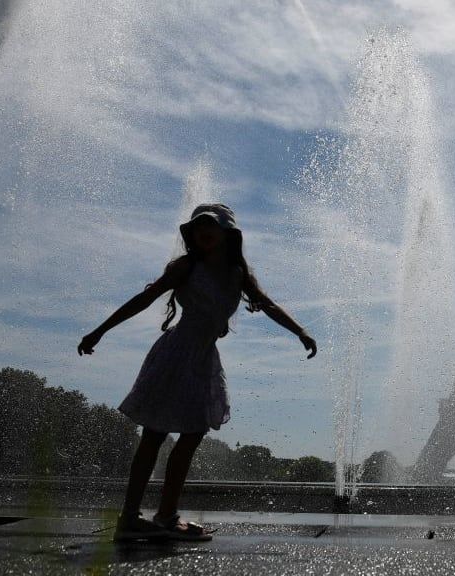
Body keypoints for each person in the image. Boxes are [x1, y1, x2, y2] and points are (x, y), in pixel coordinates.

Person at [77, 203, 317, 542]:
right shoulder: (187, 267)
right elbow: (144, 299)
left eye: (212, 225)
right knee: (155, 434)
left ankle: (164, 515)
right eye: (198, 225)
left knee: (191, 436)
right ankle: (132, 516)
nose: (204, 229)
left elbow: (268, 305)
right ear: (192, 233)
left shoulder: (237, 274)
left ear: (227, 234)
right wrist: (99, 331)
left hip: (203, 360)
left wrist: (300, 331)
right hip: (176, 354)